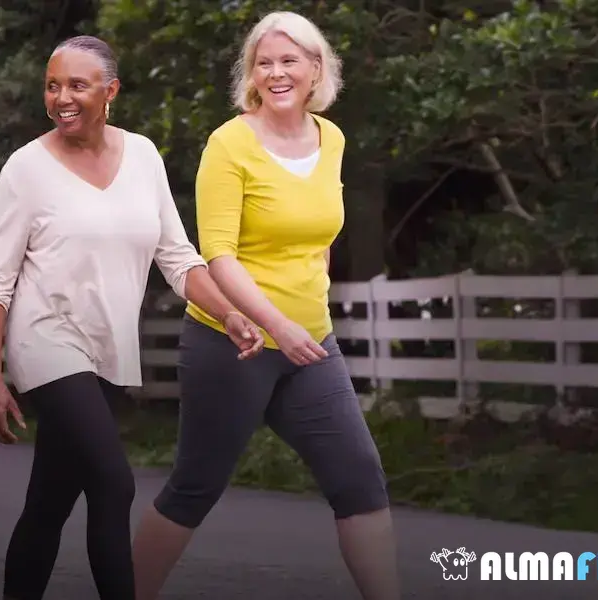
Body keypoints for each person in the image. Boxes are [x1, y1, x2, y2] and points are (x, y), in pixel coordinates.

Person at [0, 35, 264, 600]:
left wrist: (227, 313)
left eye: (77, 85)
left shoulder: (144, 156)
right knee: (114, 483)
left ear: (111, 92)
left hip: (109, 351)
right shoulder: (26, 168)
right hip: (45, 340)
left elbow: (179, 259)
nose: (61, 98)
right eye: (52, 85)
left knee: (48, 504)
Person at [129, 12, 401, 600]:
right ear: (251, 73)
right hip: (234, 343)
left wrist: (309, 298)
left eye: (289, 61)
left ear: (315, 69)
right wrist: (275, 321)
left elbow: (320, 231)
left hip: (310, 344)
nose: (276, 73)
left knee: (360, 481)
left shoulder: (332, 139)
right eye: (264, 62)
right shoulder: (230, 144)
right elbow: (218, 256)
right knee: (195, 487)